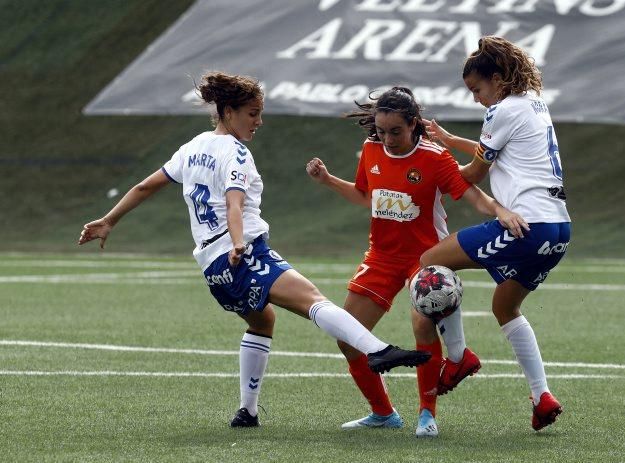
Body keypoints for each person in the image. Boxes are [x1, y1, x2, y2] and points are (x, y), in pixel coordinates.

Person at [78, 71, 431, 429]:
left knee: (263, 321)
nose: (258, 121)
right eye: (252, 113)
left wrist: (109, 220)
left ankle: (247, 410)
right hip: (242, 254)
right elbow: (234, 204)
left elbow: (143, 186)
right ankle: (378, 351)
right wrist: (237, 242)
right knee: (313, 299)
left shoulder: (193, 147)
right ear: (228, 111)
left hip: (212, 269)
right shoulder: (236, 153)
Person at [306, 86, 527, 437]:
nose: (388, 139)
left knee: (422, 325)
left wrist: (500, 211)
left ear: (413, 125)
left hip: (425, 258)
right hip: (381, 255)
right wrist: (328, 180)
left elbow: (471, 194)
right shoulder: (370, 150)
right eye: (381, 131)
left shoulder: (434, 157)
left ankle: (427, 413)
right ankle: (383, 413)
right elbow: (368, 197)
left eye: (395, 131)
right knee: (347, 338)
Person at [419, 36, 571, 431]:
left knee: (430, 263)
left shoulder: (501, 110)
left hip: (527, 226)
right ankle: (542, 397)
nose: (476, 99)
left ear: (499, 79)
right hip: (558, 228)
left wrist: (435, 172)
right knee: (505, 308)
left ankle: (457, 357)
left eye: (478, 89)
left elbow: (473, 173)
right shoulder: (535, 104)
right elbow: (503, 151)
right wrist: (451, 141)